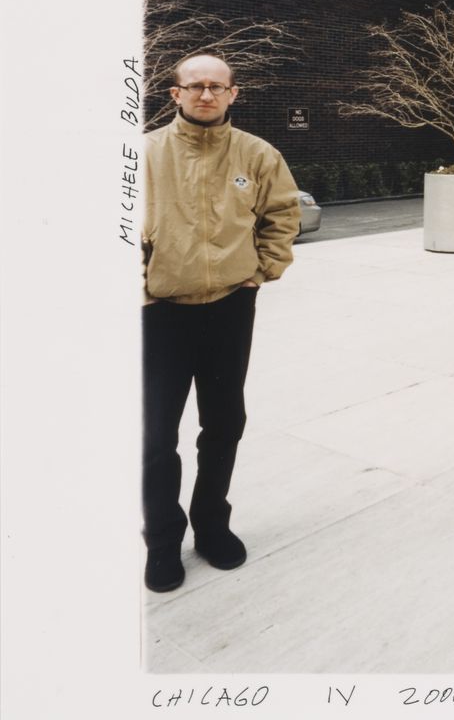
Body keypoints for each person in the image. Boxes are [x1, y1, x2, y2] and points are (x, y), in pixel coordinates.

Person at [141, 54, 301, 592]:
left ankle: (212, 527)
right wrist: (139, 290)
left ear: (234, 93)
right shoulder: (142, 154)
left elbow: (282, 214)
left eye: (217, 86)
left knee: (224, 423)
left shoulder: (257, 154)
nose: (206, 94)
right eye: (196, 86)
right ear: (175, 94)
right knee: (156, 435)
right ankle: (162, 542)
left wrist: (263, 270)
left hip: (231, 308)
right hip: (159, 315)